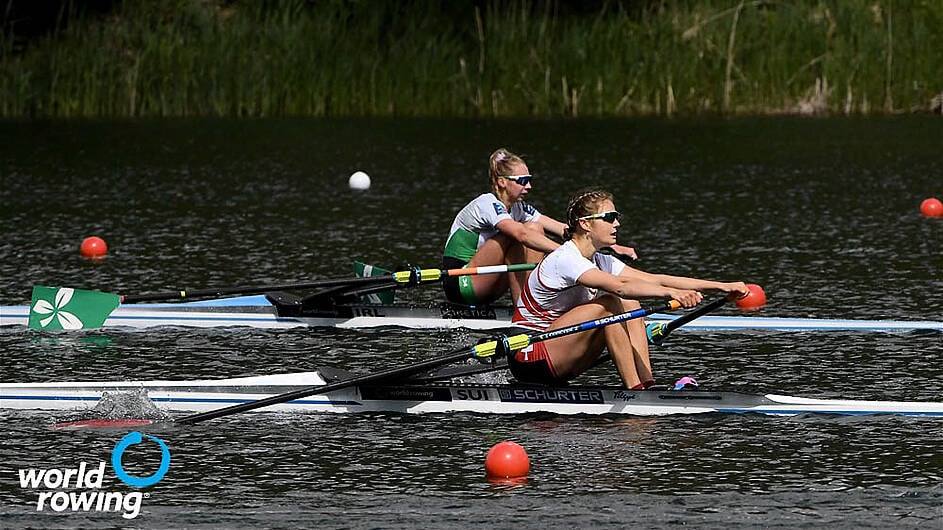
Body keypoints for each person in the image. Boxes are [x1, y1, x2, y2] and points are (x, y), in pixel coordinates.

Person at [510, 188, 749, 390]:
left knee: (631, 304)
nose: (617, 223)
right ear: (585, 224)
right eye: (609, 217)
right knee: (612, 303)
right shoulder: (566, 258)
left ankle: (646, 385)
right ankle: (634, 389)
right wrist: (672, 294)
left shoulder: (601, 260)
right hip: (528, 355)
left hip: (558, 351)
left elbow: (657, 279)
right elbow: (622, 287)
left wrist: (721, 286)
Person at [443, 148, 636, 306]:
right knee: (524, 232)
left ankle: (529, 306)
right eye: (522, 181)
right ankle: (527, 308)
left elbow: (565, 230)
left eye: (529, 180)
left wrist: (607, 245)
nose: (529, 186)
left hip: (487, 282)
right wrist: (566, 253)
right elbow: (521, 234)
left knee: (534, 228)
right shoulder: (486, 203)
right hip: (461, 282)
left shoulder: (518, 208)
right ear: (502, 182)